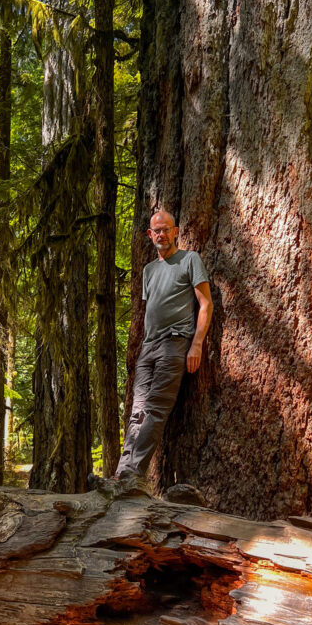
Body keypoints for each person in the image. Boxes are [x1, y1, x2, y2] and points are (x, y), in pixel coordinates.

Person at [110, 209, 213, 490]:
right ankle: (121, 474)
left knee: (155, 408)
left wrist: (196, 344)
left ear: (176, 231)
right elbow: (151, 309)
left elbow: (205, 304)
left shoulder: (190, 260)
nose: (162, 234)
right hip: (148, 347)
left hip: (174, 343)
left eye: (167, 229)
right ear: (150, 234)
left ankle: (132, 474)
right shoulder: (149, 270)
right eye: (157, 230)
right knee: (137, 410)